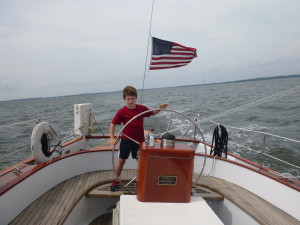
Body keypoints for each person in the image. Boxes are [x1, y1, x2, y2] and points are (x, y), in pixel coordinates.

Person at [109, 85, 168, 191]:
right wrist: (113, 138)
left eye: (132, 98)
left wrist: (160, 108)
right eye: (128, 99)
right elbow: (112, 124)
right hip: (126, 140)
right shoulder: (122, 111)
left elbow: (152, 113)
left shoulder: (141, 108)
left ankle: (143, 180)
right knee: (121, 161)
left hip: (139, 141)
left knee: (141, 161)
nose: (131, 101)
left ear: (136, 98)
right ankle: (115, 180)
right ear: (124, 99)